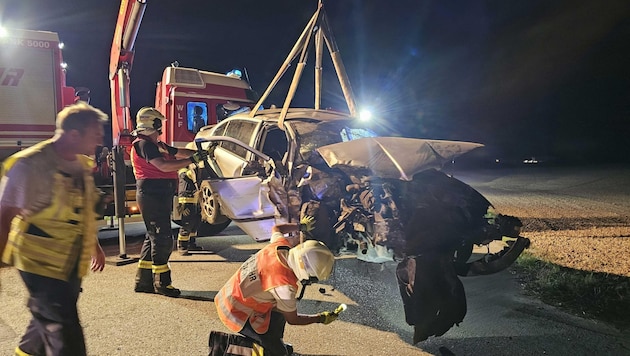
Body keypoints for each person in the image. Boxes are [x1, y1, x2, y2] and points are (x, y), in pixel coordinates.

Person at [0, 102, 108, 356]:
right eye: (95, 135)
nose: (100, 141)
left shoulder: (81, 164)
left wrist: (95, 247)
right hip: (39, 265)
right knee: (66, 337)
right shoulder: (30, 166)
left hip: (69, 263)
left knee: (47, 322)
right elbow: (4, 217)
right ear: (73, 135)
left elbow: (81, 212)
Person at [213, 217, 339, 356]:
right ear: (306, 272)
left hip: (231, 295)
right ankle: (224, 345)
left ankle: (274, 343)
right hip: (236, 312)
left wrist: (300, 226)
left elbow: (277, 229)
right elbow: (293, 319)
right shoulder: (284, 285)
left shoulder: (280, 246)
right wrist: (320, 318)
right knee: (276, 353)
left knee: (281, 312)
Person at [130, 107, 208, 297]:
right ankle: (162, 283)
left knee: (153, 237)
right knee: (163, 238)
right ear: (153, 124)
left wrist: (199, 151)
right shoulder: (143, 144)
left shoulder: (154, 143)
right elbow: (163, 166)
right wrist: (192, 160)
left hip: (156, 194)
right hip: (152, 194)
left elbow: (177, 152)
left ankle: (144, 280)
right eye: (159, 124)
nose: (161, 128)